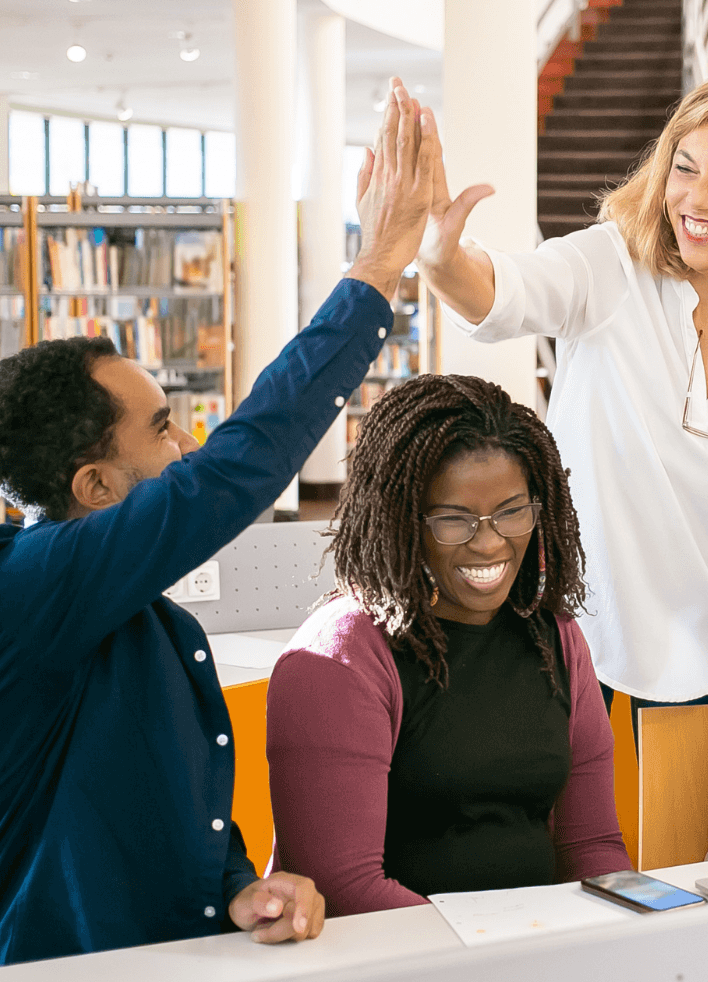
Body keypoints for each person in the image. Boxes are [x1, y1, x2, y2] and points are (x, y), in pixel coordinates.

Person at [0, 85, 436, 971]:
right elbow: (233, 472)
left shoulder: (150, 622)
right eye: (162, 428)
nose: (187, 445)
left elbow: (164, 807)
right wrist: (377, 271)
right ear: (93, 486)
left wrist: (241, 886)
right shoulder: (8, 588)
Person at [408, 71, 708, 714]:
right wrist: (443, 261)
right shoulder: (613, 267)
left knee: (697, 821)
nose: (695, 199)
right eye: (684, 167)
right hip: (577, 649)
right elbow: (511, 291)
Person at [264, 374, 630, 915]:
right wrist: (498, 957)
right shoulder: (337, 659)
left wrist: (637, 925)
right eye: (454, 520)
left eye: (512, 511)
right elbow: (345, 889)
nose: (489, 542)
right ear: (401, 520)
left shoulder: (556, 637)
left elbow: (590, 846)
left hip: (532, 950)